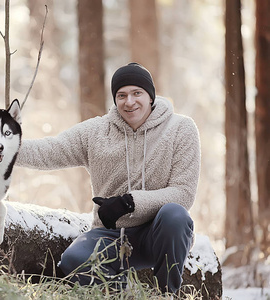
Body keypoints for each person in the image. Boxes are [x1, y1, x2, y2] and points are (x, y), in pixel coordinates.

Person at [16, 62, 201, 293]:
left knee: (176, 215)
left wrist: (129, 202)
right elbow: (50, 150)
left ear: (150, 97)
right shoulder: (96, 132)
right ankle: (123, 296)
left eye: (137, 93)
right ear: (115, 99)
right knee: (75, 260)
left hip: (157, 234)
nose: (129, 102)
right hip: (110, 235)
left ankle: (167, 294)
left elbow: (183, 193)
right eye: (121, 95)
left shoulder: (180, 128)